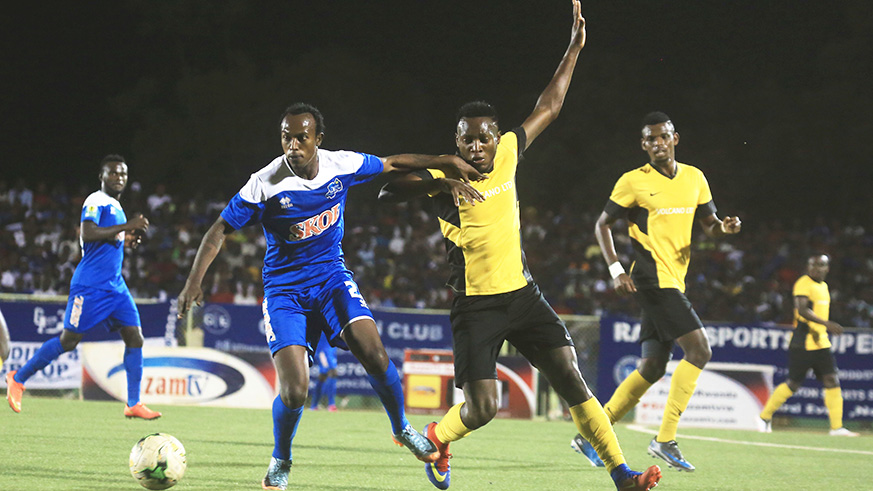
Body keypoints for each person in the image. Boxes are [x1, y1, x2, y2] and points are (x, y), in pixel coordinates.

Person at [378, 3, 660, 490]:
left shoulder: (509, 151)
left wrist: (573, 48)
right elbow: (387, 188)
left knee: (571, 376)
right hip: (477, 306)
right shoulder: (443, 176)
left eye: (484, 138)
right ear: (458, 142)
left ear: (495, 137)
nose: (477, 147)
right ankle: (436, 437)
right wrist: (443, 182)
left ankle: (621, 475)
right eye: (468, 140)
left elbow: (549, 106)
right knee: (483, 409)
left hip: (522, 295)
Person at [176, 102, 485, 491]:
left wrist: (442, 163)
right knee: (295, 392)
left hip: (331, 280)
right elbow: (219, 230)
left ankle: (402, 428)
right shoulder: (265, 183)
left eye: (301, 137)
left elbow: (390, 164)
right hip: (285, 292)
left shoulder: (341, 165)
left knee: (374, 352)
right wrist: (193, 282)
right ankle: (281, 459)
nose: (293, 145)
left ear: (317, 140)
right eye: (286, 137)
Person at [569, 111, 742, 472]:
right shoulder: (633, 182)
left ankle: (590, 435)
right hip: (650, 278)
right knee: (699, 349)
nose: (657, 143)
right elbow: (602, 225)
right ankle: (665, 439)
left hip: (674, 279)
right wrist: (616, 269)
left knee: (651, 366)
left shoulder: (695, 177)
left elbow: (709, 225)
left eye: (663, 136)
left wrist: (723, 229)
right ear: (643, 145)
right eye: (650, 139)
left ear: (675, 139)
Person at [5, 155, 160, 420]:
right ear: (101, 176)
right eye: (113, 173)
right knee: (69, 341)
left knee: (135, 337)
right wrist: (126, 226)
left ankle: (133, 403)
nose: (118, 178)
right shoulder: (95, 200)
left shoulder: (115, 205)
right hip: (90, 287)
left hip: (115, 286)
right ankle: (18, 378)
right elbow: (88, 233)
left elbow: (106, 238)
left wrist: (125, 238)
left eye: (122, 174)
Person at [759, 254, 859, 436]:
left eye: (821, 265)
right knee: (793, 384)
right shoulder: (803, 283)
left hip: (821, 342)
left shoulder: (824, 286)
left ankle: (836, 428)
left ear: (827, 268)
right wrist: (827, 324)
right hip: (803, 341)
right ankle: (764, 417)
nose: (816, 268)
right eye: (813, 265)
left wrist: (824, 328)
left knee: (832, 380)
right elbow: (802, 310)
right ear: (808, 267)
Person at [309, 331, 338, 411]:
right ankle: (331, 404)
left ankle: (314, 405)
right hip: (322, 349)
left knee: (324, 375)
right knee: (331, 371)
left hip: (331, 349)